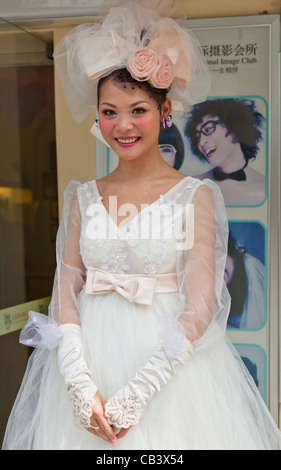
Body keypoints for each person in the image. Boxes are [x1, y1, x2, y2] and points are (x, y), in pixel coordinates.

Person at [2, 0, 281, 450]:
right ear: (97, 115)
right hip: (86, 368)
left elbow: (199, 307)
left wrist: (138, 393)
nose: (123, 125)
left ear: (164, 110)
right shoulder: (82, 198)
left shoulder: (196, 196)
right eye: (110, 111)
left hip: (168, 378)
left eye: (138, 110)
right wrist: (78, 385)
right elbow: (65, 298)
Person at [184, 98, 266, 206]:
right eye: (197, 137)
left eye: (208, 129)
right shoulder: (192, 186)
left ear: (235, 128)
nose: (201, 142)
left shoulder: (265, 187)